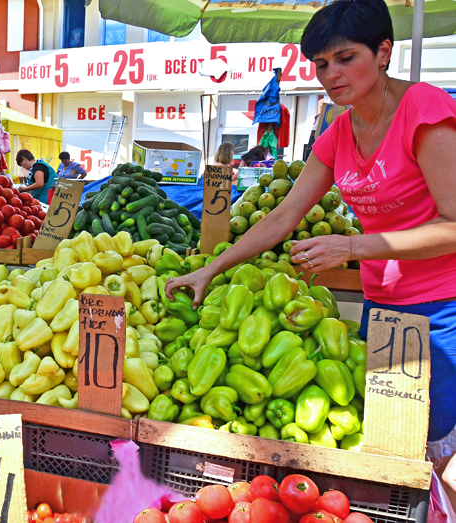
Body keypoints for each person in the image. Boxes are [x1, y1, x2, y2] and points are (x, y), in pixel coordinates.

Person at [165, 0, 456, 505]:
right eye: (321, 64)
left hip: (442, 310)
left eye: (345, 58)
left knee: (428, 445)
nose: (330, 75)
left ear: (383, 52)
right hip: (382, 309)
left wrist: (352, 245)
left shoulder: (424, 110)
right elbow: (282, 217)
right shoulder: (339, 131)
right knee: (387, 443)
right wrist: (211, 269)